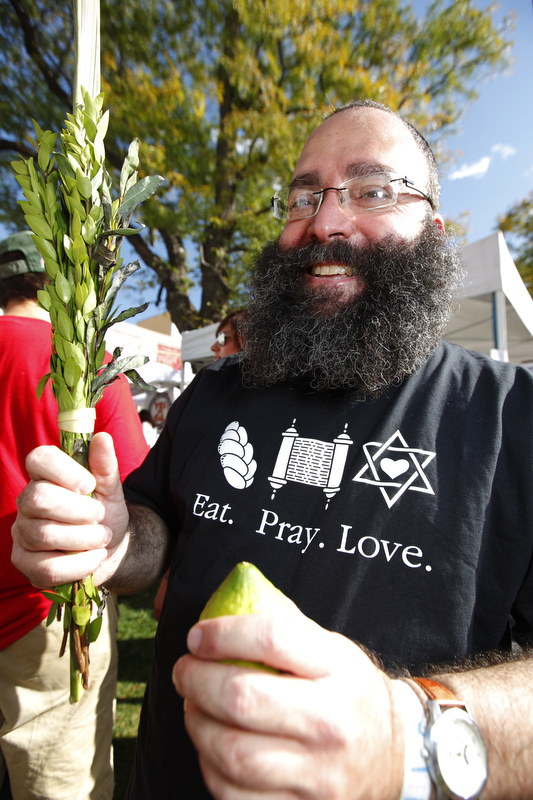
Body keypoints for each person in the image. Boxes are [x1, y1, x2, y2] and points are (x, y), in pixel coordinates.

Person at [11, 101, 533, 800]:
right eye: (303, 196)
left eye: (373, 190)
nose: (325, 221)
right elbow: (152, 536)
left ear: (433, 232)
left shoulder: (511, 417)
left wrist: (403, 739)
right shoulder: (216, 393)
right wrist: (112, 540)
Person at [0, 231, 149, 800]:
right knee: (60, 784)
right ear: (57, 280)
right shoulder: (88, 362)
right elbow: (134, 484)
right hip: (51, 611)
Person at [152, 308, 248, 621]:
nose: (213, 347)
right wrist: (169, 575)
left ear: (249, 340)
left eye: (223, 338)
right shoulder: (203, 402)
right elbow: (179, 505)